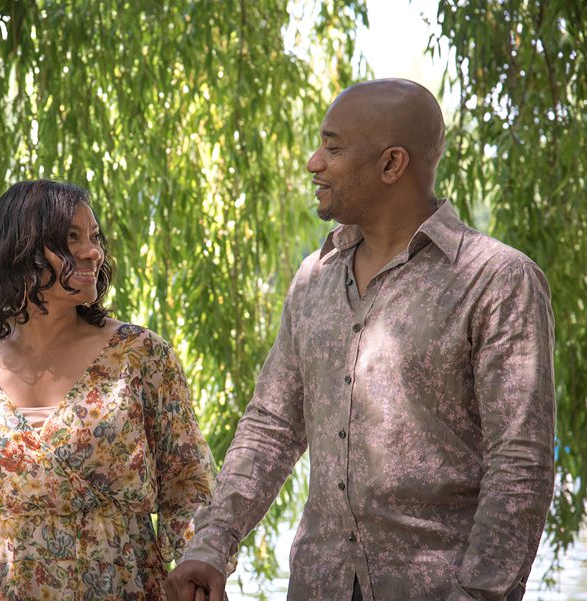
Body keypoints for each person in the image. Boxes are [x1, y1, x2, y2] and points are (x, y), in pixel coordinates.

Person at [165, 79, 555, 601]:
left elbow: (520, 465)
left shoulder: (496, 279)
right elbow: (272, 425)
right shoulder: (314, 278)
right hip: (318, 585)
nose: (312, 162)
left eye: (333, 147)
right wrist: (210, 545)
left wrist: (480, 595)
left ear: (392, 164)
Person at [0, 180, 215, 601]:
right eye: (71, 239)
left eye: (94, 238)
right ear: (21, 251)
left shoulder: (141, 356)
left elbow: (189, 490)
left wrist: (198, 571)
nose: (93, 251)